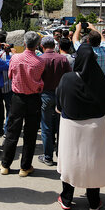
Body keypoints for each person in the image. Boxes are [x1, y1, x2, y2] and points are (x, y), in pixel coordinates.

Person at [55, 44, 105, 210]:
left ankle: (67, 198)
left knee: (70, 160)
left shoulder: (67, 78)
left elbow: (59, 103)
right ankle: (94, 201)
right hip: (96, 126)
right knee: (93, 162)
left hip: (71, 127)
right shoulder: (100, 80)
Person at [0, 31, 45, 177]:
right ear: (37, 45)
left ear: (24, 43)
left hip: (17, 98)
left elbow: (10, 75)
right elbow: (39, 80)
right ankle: (24, 167)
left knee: (12, 131)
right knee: (30, 134)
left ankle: (5, 165)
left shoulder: (15, 58)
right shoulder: (39, 62)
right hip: (33, 98)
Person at [39, 35, 71, 166]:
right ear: (54, 45)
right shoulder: (63, 59)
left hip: (45, 95)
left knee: (46, 127)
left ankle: (48, 156)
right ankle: (61, 155)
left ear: (42, 46)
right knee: (60, 127)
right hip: (60, 96)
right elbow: (69, 76)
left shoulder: (40, 59)